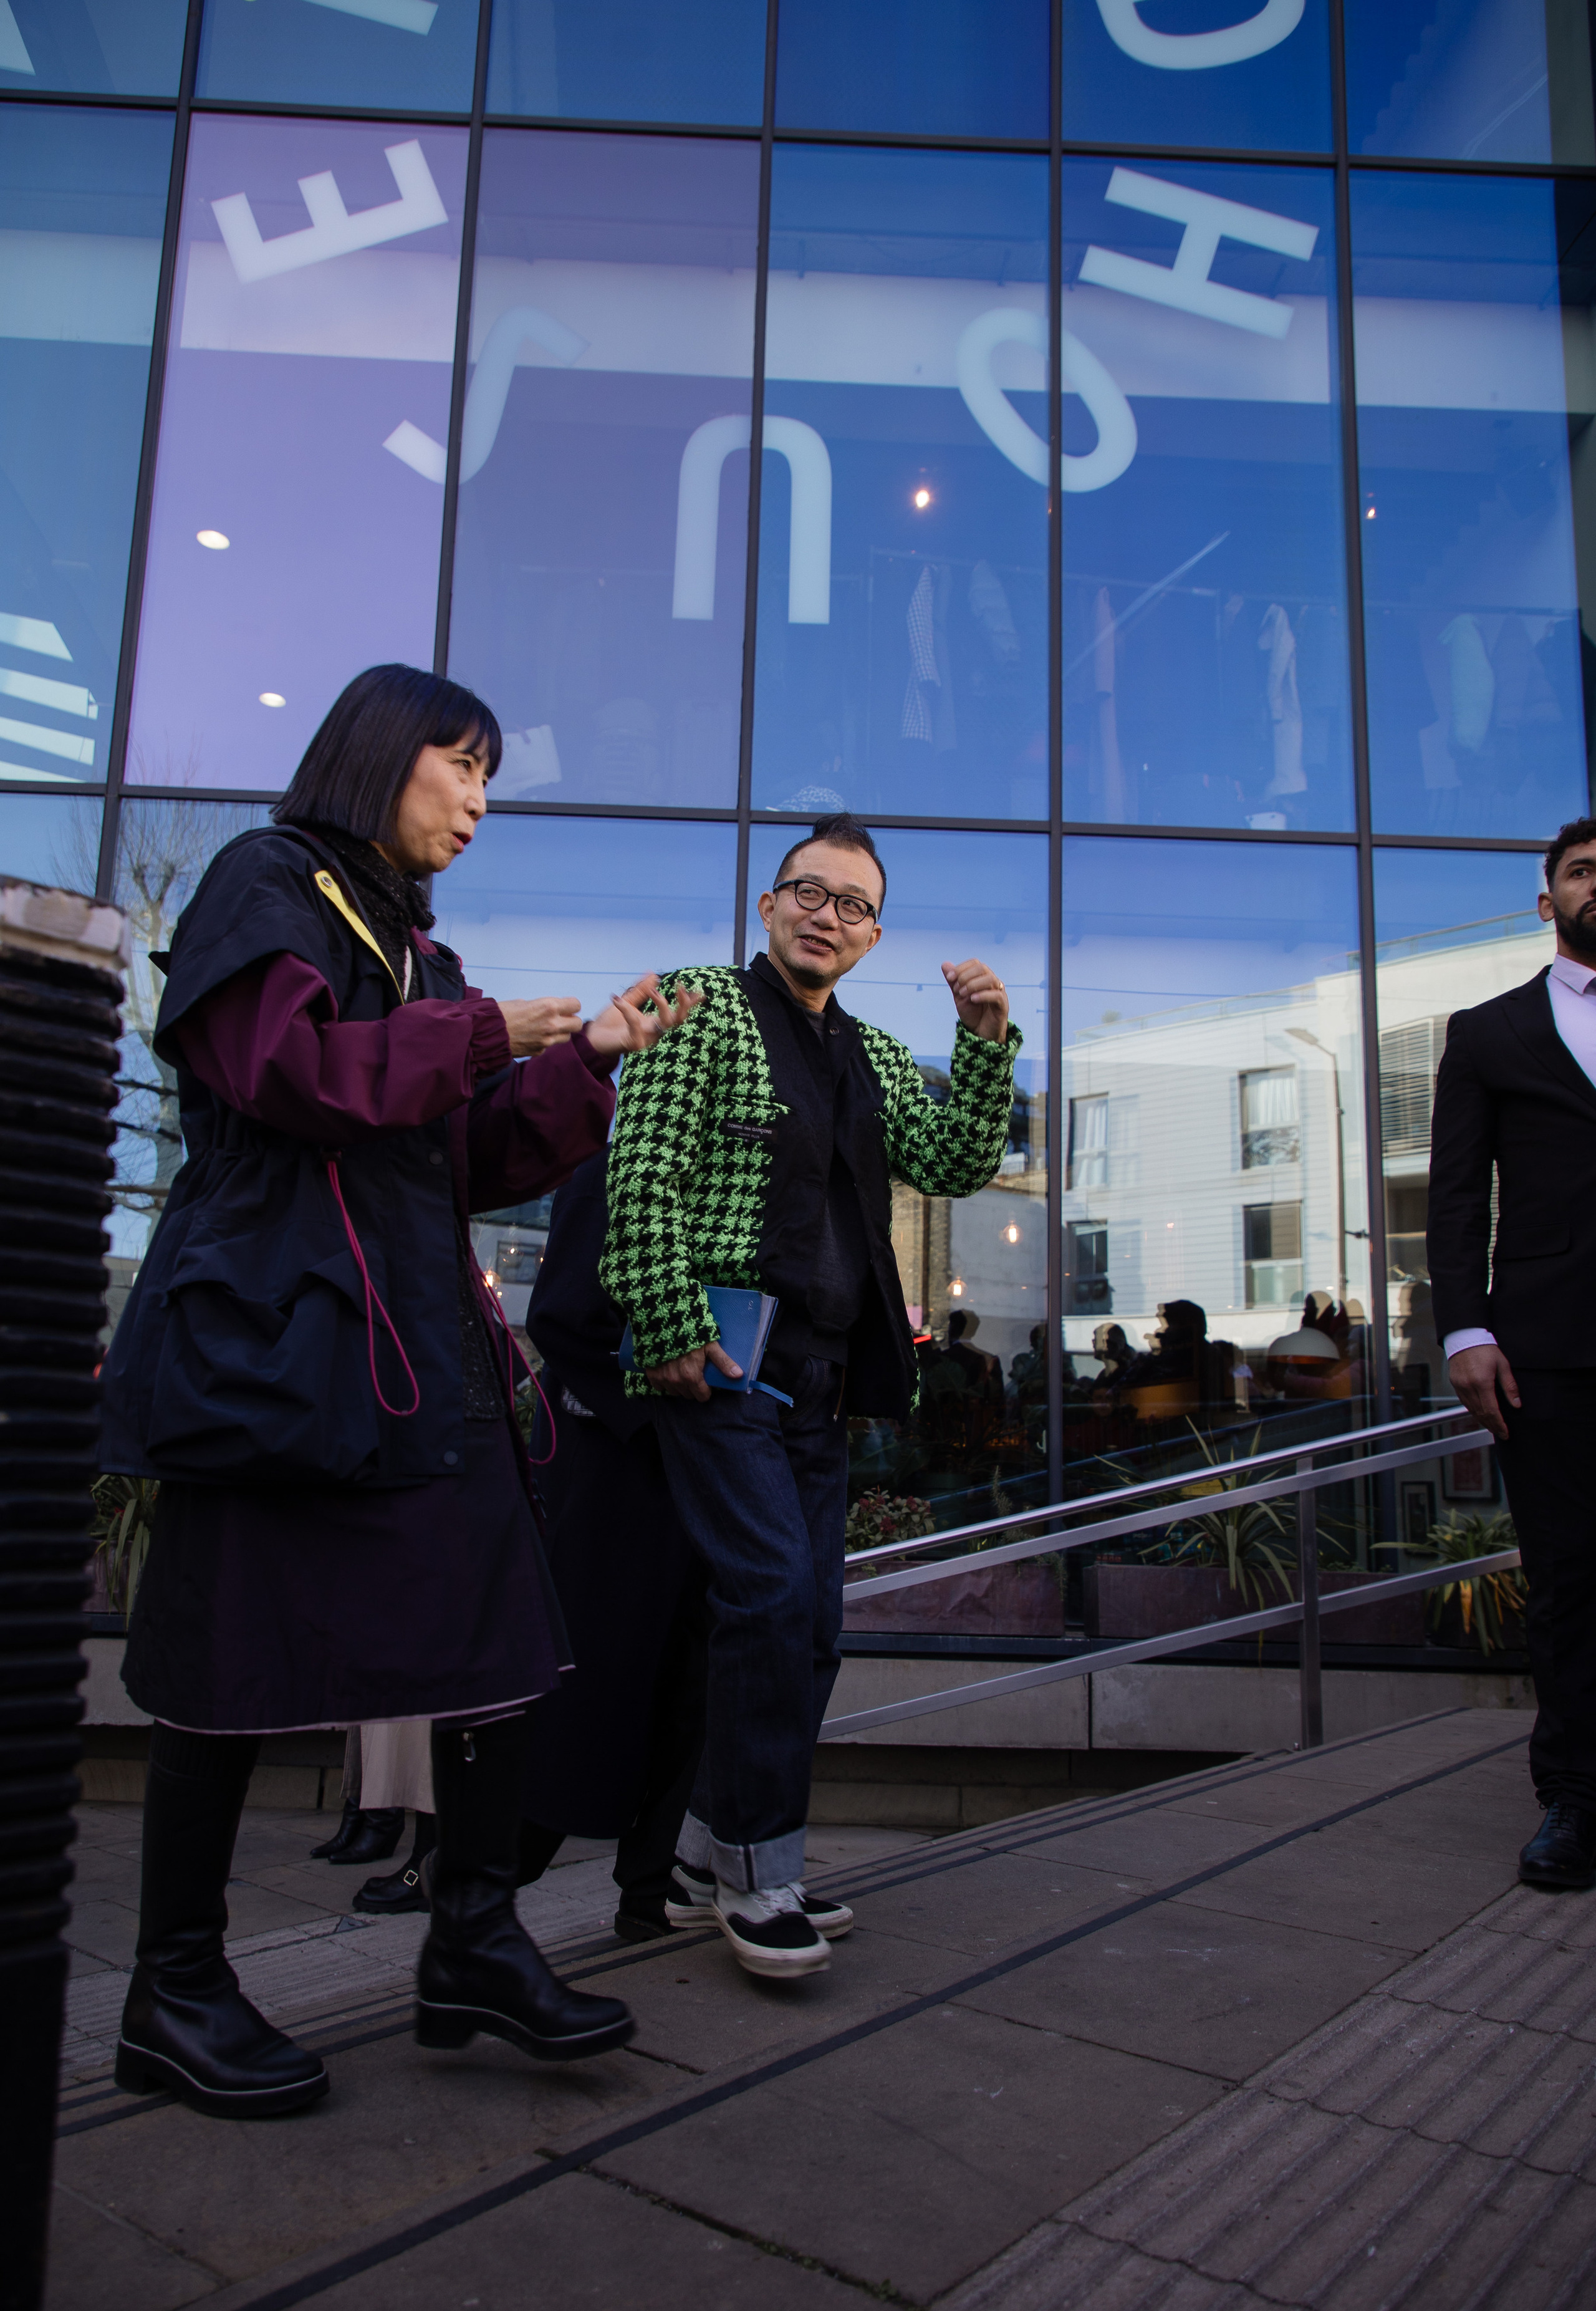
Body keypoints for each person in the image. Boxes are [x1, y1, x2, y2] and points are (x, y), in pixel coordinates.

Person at [96, 663, 695, 2117]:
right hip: (272, 1342)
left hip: (414, 1359)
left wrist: (588, 1061)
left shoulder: (419, 955)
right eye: (465, 765)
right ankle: (174, 1987)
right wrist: (487, 1033)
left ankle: (473, 1938)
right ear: (381, 756)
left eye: (491, 775)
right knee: (226, 1665)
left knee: (501, 1634)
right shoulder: (265, 880)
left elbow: (461, 1155)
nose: (483, 799)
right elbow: (282, 1068)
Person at [600, 814, 1019, 1977]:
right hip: (726, 1357)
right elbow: (642, 1173)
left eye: (853, 903)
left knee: (813, 1622)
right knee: (773, 1598)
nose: (827, 914)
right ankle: (759, 1872)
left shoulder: (876, 1055)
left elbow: (955, 1161)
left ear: (874, 934)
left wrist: (985, 1041)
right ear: (768, 905)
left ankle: (696, 1858)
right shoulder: (701, 1004)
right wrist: (673, 1325)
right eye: (809, 892)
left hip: (826, 1379)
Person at [1429, 814, 1596, 1891]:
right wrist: (1466, 1327)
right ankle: (1574, 1798)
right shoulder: (1487, 1031)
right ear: (1549, 902)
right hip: (1550, 1347)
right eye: (1583, 872)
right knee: (1572, 1581)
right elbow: (1453, 1198)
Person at [516, 1151, 711, 1941]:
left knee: (686, 1681)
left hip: (692, 1458)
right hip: (614, 1465)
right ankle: (489, 1881)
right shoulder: (610, 1165)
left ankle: (648, 1891)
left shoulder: (721, 1172)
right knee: (593, 1682)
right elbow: (560, 1319)